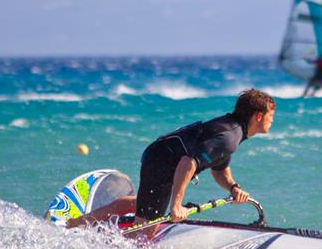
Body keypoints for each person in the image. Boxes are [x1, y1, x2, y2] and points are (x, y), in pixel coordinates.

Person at [67, 89, 276, 236]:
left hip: (159, 155)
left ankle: (76, 225)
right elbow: (188, 162)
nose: (272, 120)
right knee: (143, 232)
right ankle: (102, 245)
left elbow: (219, 166)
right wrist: (176, 206)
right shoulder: (229, 137)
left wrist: (233, 187)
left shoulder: (231, 131)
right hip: (163, 162)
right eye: (270, 115)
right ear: (258, 116)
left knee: (141, 205)